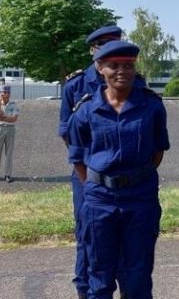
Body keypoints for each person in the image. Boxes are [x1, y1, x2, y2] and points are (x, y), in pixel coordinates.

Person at [67, 41, 170, 299]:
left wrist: (131, 180)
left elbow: (157, 151)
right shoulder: (86, 110)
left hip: (140, 199)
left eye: (128, 65)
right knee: (100, 277)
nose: (121, 71)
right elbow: (78, 157)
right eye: (114, 66)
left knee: (138, 276)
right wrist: (99, 184)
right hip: (99, 201)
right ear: (100, 68)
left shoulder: (152, 106)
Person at [58, 25, 136, 299]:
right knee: (88, 238)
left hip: (128, 179)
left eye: (115, 45)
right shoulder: (76, 85)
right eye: (103, 47)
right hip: (89, 176)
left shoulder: (135, 82)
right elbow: (68, 134)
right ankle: (84, 290)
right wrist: (88, 175)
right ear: (94, 52)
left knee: (129, 244)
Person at [0, 84, 19, 183]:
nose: (5, 94)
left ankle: (8, 174)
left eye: (7, 92)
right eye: (3, 92)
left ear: (10, 94)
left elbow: (14, 119)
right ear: (0, 93)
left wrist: (2, 117)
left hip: (10, 129)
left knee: (9, 152)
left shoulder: (14, 104)